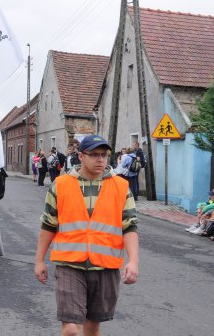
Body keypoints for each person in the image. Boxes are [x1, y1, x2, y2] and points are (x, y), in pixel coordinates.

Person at [34, 134, 139, 336]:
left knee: (92, 327)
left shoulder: (121, 187)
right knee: (72, 328)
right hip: (69, 265)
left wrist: (133, 261)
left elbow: (130, 227)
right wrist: (39, 260)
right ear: (81, 156)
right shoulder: (61, 184)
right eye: (94, 155)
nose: (100, 160)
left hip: (105, 266)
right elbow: (48, 225)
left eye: (104, 155)